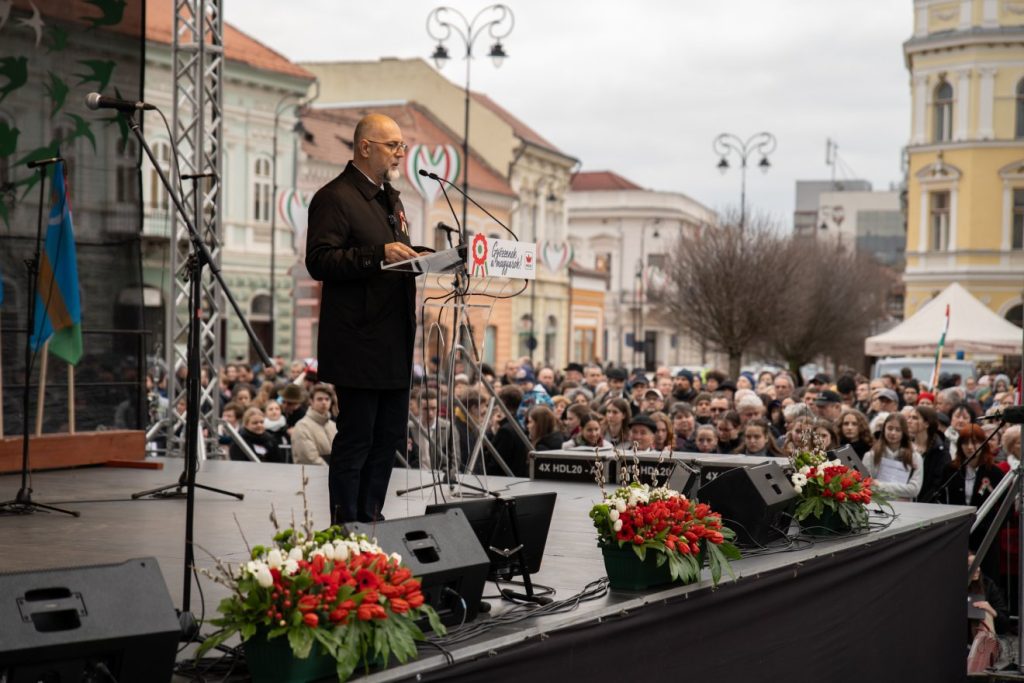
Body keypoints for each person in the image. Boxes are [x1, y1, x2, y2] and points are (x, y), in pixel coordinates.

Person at [305, 113, 420, 524]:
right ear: (365, 146)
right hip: (358, 342)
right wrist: (378, 255)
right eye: (392, 145)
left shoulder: (392, 198)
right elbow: (319, 260)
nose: (399, 153)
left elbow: (395, 252)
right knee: (357, 439)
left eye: (401, 146)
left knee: (387, 439)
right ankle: (346, 523)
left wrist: (424, 257)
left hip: (394, 340)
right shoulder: (335, 197)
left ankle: (372, 517)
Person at [863, 413, 922, 501]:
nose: (893, 433)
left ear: (904, 432)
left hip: (906, 509)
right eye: (890, 428)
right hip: (876, 506)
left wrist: (880, 485)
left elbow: (914, 489)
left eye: (898, 430)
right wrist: (901, 491)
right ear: (884, 429)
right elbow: (867, 485)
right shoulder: (871, 455)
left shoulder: (915, 457)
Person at [906, 405, 950, 503]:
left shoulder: (940, 451)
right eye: (909, 417)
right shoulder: (905, 446)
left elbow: (937, 484)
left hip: (928, 505)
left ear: (927, 423)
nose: (909, 421)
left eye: (915, 418)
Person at [291, 384, 338, 467]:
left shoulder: (333, 426)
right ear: (311, 401)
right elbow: (310, 459)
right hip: (310, 476)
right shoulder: (302, 426)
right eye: (319, 399)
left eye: (327, 399)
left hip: (333, 475)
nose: (324, 402)